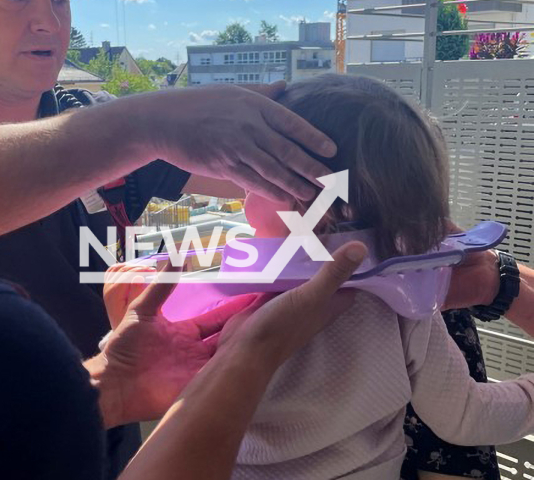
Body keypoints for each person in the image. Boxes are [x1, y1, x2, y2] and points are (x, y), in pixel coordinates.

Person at [0, 0, 366, 478]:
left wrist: (413, 221)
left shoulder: (98, 123)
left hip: (101, 415)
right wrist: (144, 127)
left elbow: (304, 179)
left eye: (58, 0)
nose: (48, 22)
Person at [104, 74, 534, 480]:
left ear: (316, 206)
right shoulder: (405, 303)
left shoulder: (224, 306)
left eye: (252, 180)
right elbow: (466, 417)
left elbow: (168, 403)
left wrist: (119, 318)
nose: (241, 194)